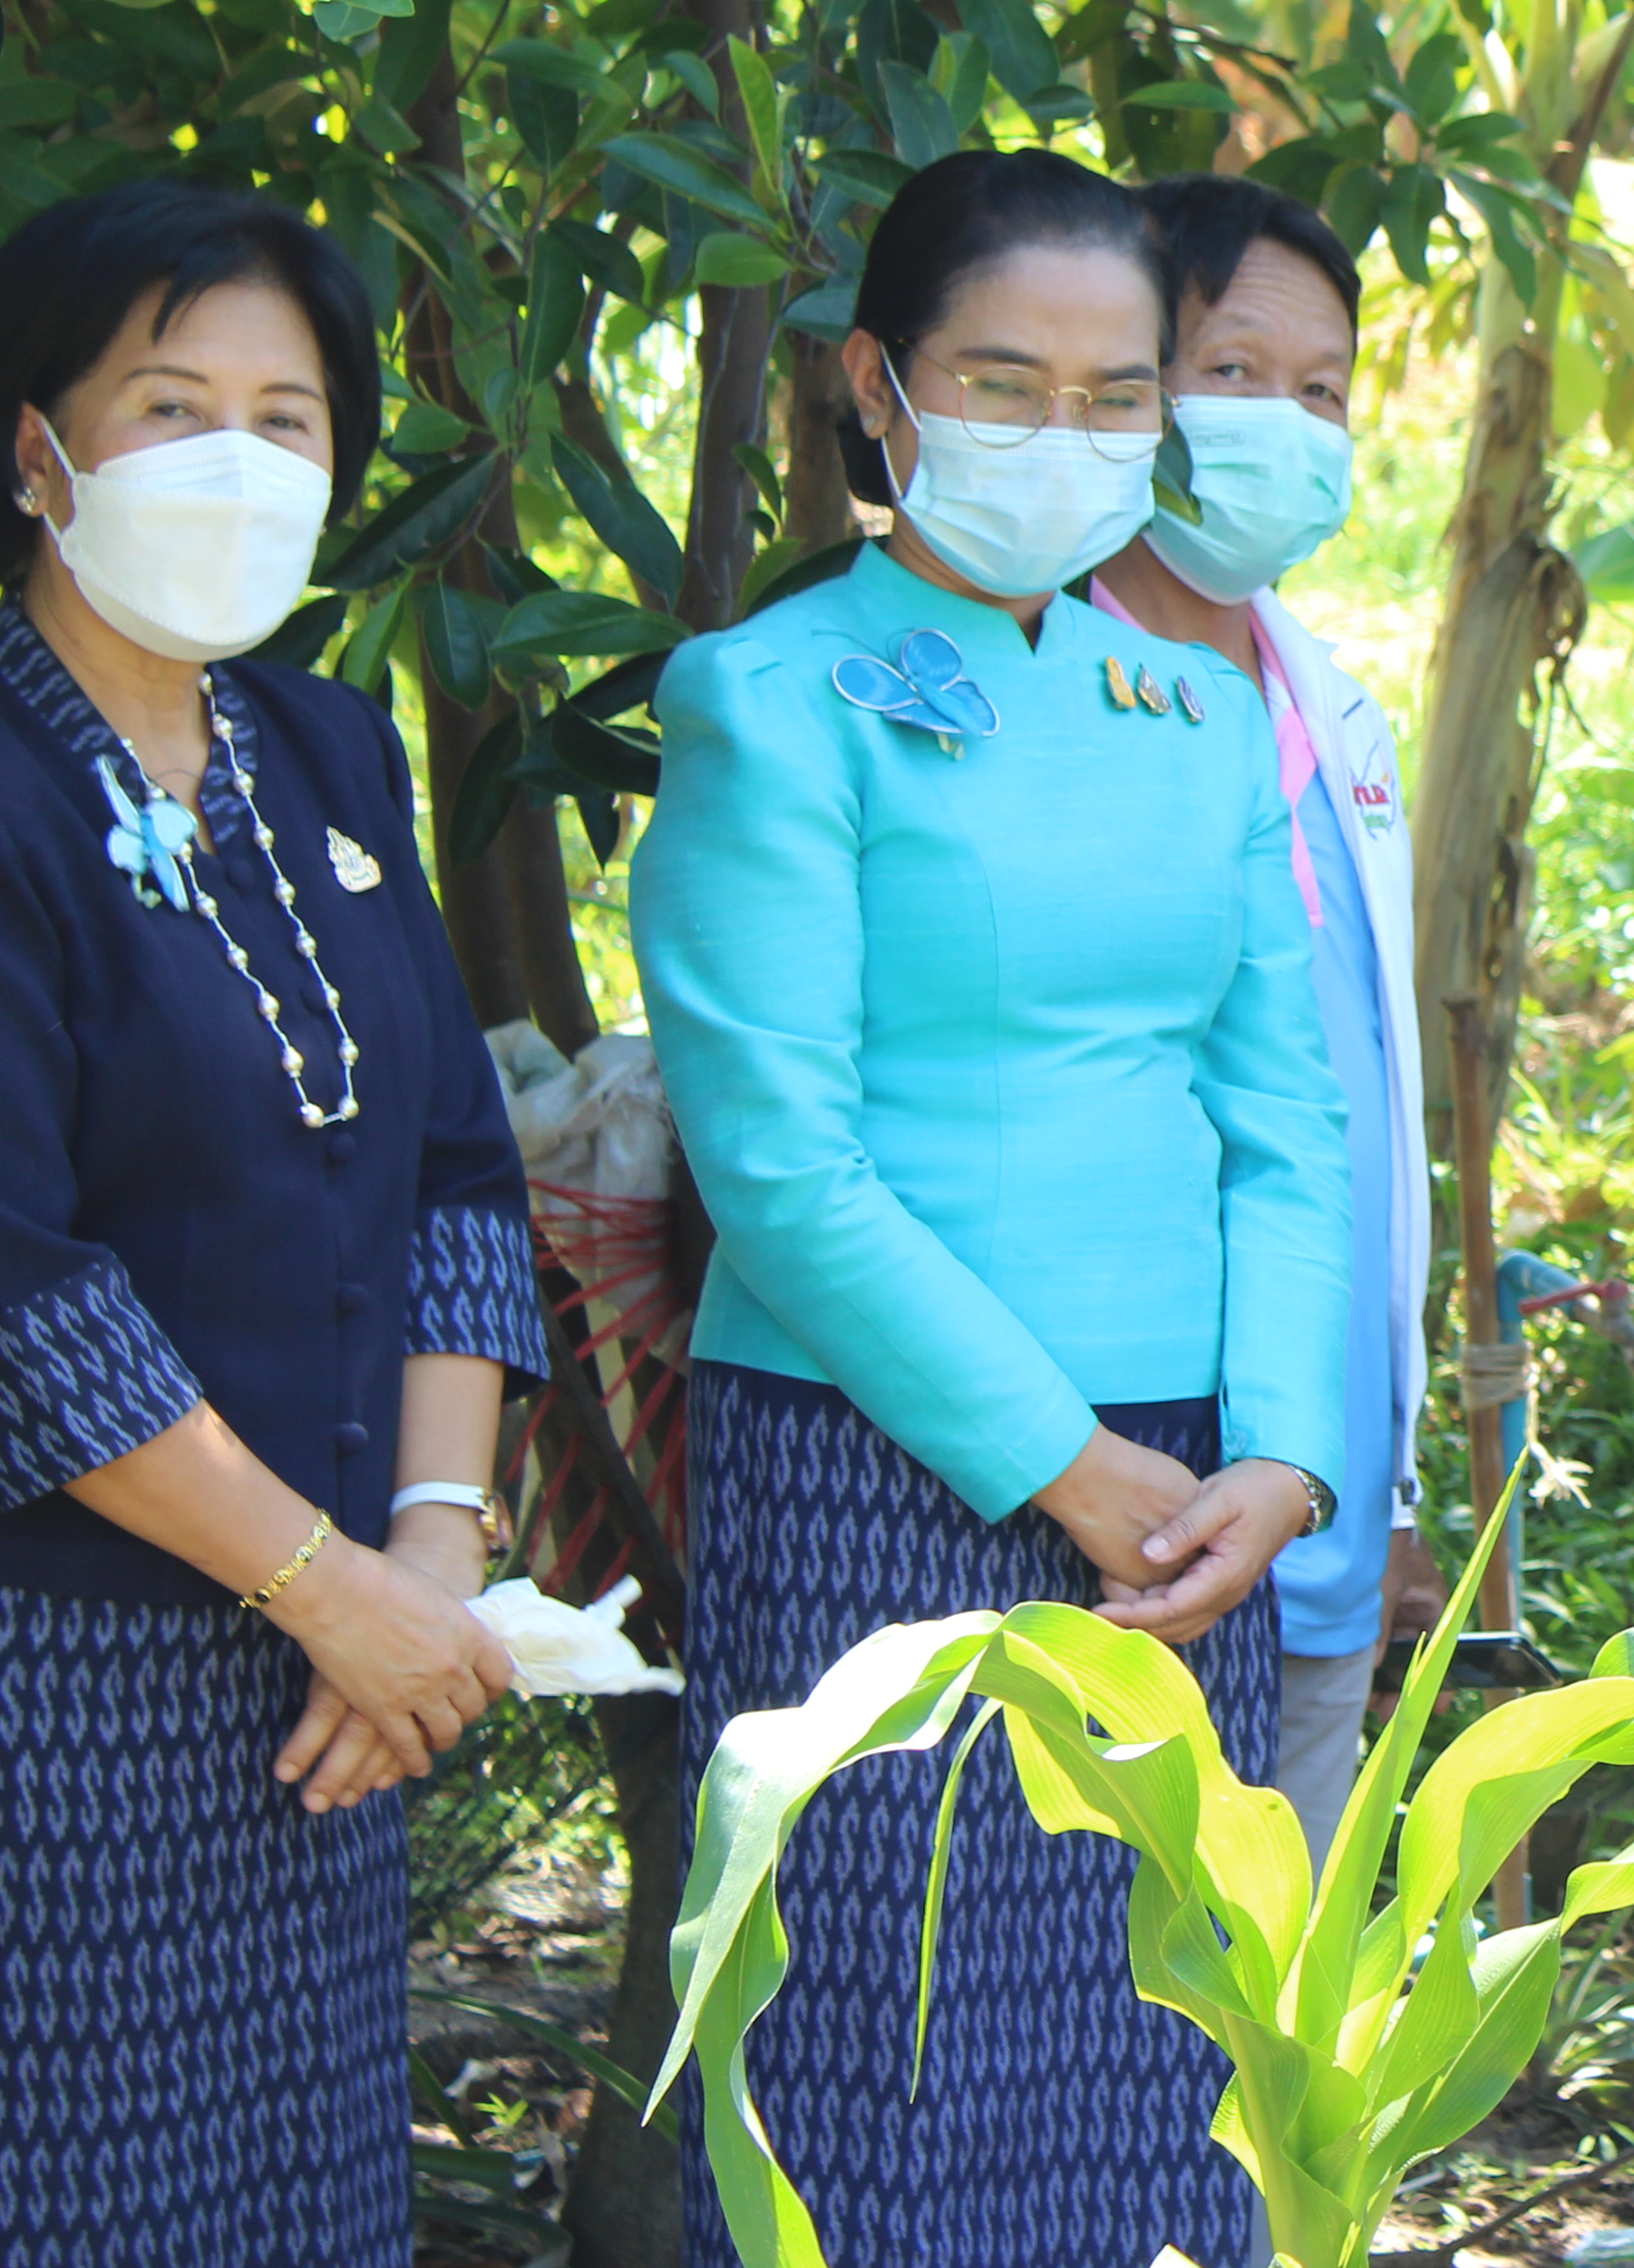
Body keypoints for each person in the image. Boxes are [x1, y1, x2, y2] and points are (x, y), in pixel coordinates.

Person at [636, 147, 1347, 2268]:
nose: (1064, 439)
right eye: (1001, 382)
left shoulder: (1205, 715)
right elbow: (779, 1162)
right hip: (878, 1474)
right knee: (882, 2074)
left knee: (1155, 2074)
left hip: (1191, 1513)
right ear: (880, 385)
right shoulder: (769, 701)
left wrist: (1287, 1460)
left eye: (1116, 395)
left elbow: (1291, 1116)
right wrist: (1063, 1462)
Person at [0, 181, 546, 2265]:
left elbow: (455, 1171)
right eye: (167, 406)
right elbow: (21, 1291)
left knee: (301, 2204)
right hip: (63, 1677)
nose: (234, 464)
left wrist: (430, 1552)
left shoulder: (322, 745)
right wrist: (330, 1585)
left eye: (286, 418)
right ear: (32, 449)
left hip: (342, 1690)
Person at [1090, 175, 1441, 1863]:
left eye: (1323, 396)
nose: (1285, 431)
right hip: (1114, 1502)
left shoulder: (1335, 710)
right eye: (1233, 375)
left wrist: (1380, 1470)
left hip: (1319, 1514)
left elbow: (1371, 1113)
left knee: (1260, 2043)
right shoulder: (1023, 684)